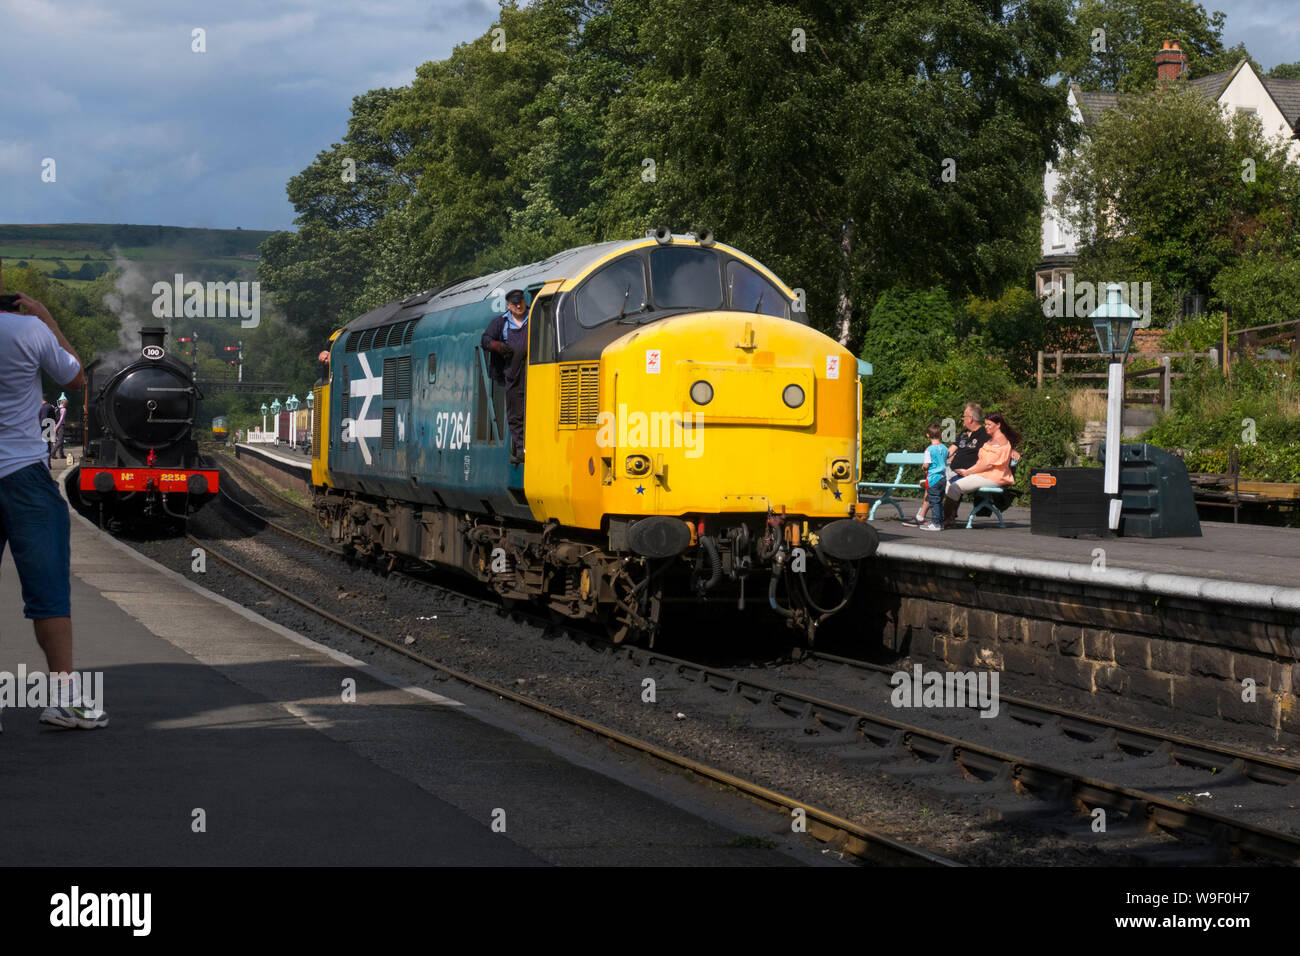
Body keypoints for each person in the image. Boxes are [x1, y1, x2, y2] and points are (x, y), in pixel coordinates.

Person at [0, 288, 107, 729]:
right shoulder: (29, 329)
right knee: (47, 588)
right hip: (22, 474)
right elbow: (76, 378)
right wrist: (47, 318)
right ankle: (64, 697)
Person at [481, 288, 529, 464]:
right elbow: (485, 340)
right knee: (515, 413)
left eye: (521, 302)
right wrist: (498, 346)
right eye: (515, 303)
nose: (518, 306)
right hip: (513, 373)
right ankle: (519, 448)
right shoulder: (500, 322)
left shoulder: (533, 317)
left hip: (532, 370)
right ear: (508, 305)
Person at [944, 411, 1019, 518]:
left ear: (998, 425)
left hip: (993, 477)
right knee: (950, 483)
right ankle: (949, 517)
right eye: (985, 424)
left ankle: (945, 520)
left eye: (989, 424)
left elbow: (988, 465)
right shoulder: (991, 438)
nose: (986, 427)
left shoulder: (1000, 441)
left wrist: (968, 472)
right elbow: (982, 462)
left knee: (954, 487)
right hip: (982, 474)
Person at [918, 423, 948, 532]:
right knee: (939, 501)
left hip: (933, 479)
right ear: (940, 435)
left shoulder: (929, 450)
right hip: (943, 478)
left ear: (927, 435)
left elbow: (926, 465)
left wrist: (923, 468)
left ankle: (935, 524)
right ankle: (941, 522)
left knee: (934, 501)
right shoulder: (944, 448)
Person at [38, 394, 56, 464]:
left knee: (41, 448)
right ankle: (48, 463)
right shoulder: (49, 407)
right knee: (47, 447)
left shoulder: (41, 407)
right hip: (48, 428)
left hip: (41, 429)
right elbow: (54, 418)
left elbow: (43, 419)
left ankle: (43, 463)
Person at [52, 394, 69, 462]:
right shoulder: (64, 409)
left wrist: (55, 426)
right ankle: (52, 452)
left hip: (55, 424)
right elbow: (61, 420)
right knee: (60, 440)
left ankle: (61, 454)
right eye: (66, 403)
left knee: (60, 440)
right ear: (64, 402)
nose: (67, 404)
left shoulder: (57, 408)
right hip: (60, 425)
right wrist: (57, 427)